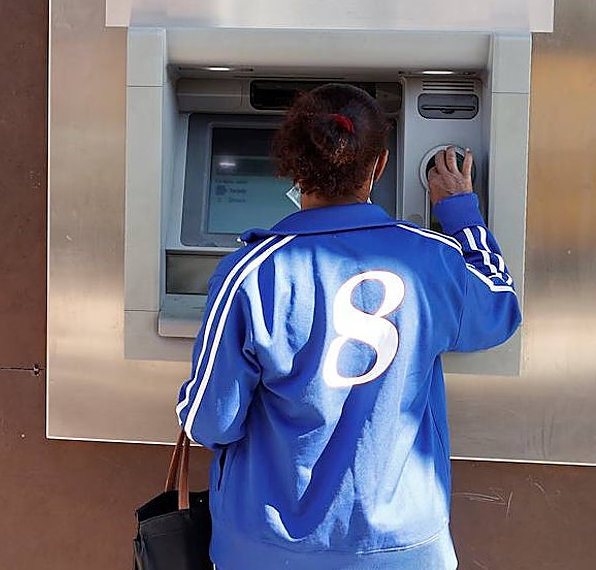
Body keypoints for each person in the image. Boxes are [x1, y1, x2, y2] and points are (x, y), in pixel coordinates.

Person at [175, 83, 521, 570]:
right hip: (402, 546)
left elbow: (209, 421)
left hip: (268, 550)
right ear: (379, 165)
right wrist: (460, 210)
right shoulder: (433, 259)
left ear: (291, 167)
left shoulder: (250, 273)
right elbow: (499, 307)